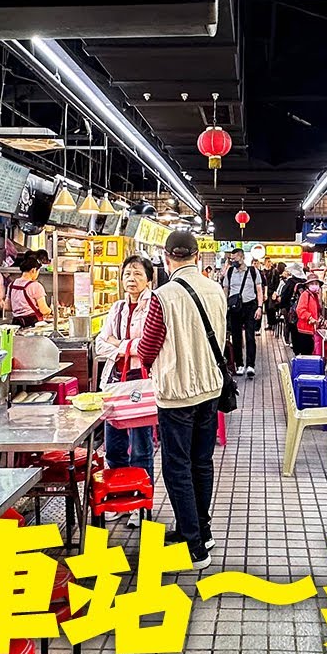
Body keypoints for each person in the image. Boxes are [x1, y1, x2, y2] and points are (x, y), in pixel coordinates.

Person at [138, 230, 227, 570]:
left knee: (177, 467)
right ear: (197, 255)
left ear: (166, 257)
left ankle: (194, 546)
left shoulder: (163, 296)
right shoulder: (215, 289)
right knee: (201, 462)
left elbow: (148, 347)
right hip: (210, 388)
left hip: (176, 394)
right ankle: (202, 531)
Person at [94, 255, 156, 527]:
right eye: (127, 275)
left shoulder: (154, 306)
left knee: (142, 447)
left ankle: (140, 504)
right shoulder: (116, 309)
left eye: (137, 275)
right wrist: (127, 347)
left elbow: (150, 344)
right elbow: (99, 345)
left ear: (149, 279)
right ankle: (119, 499)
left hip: (141, 383)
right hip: (115, 381)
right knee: (114, 445)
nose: (131, 280)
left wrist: (119, 344)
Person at [221, 247, 263, 377]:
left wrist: (260, 307)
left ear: (242, 257)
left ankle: (250, 365)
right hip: (234, 308)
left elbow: (259, 290)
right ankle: (239, 364)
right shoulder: (229, 272)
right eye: (231, 259)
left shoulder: (253, 271)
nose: (233, 261)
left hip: (250, 306)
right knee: (236, 337)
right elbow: (225, 290)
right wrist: (224, 306)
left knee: (250, 337)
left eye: (235, 258)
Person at [9, 253, 52, 327]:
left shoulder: (12, 285)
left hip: (16, 323)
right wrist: (51, 311)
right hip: (32, 323)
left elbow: (7, 306)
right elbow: (44, 310)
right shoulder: (36, 286)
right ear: (33, 270)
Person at [294, 271, 324, 356]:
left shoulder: (314, 295)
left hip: (311, 329)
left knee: (310, 351)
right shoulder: (305, 295)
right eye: (312, 283)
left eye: (316, 283)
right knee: (306, 353)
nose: (315, 285)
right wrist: (310, 318)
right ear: (307, 285)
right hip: (305, 329)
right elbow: (300, 310)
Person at [277, 262, 307, 346]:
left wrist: (282, 306)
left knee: (289, 324)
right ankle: (297, 342)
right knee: (298, 325)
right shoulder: (305, 282)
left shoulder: (290, 281)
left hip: (289, 307)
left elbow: (284, 295)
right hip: (302, 308)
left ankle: (287, 340)